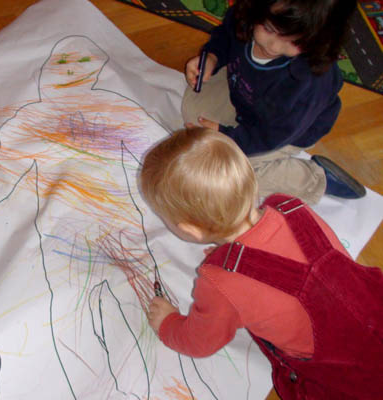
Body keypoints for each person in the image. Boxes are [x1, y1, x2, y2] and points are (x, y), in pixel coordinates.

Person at [141, 128, 383, 399]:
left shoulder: (219, 283)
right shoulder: (290, 206)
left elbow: (200, 342)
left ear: (191, 230)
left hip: (352, 377)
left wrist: (167, 324)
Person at [182, 0, 365, 205]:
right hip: (247, 95)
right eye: (269, 29)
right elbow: (225, 36)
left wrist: (227, 136)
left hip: (286, 131)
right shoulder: (248, 16)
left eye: (295, 42)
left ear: (320, 40)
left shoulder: (309, 81)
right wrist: (212, 58)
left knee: (228, 172)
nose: (273, 46)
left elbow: (272, 135)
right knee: (193, 112)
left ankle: (313, 179)